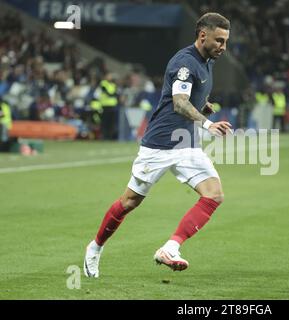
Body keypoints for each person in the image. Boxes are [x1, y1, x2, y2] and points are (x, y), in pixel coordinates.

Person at [83, 12, 232, 277]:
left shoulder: (208, 61)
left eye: (225, 41)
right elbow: (179, 102)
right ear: (202, 36)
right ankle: (95, 248)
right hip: (159, 145)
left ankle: (170, 249)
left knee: (214, 195)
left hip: (186, 144)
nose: (223, 47)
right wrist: (208, 124)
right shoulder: (185, 62)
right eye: (219, 41)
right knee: (129, 202)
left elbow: (190, 100)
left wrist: (203, 107)